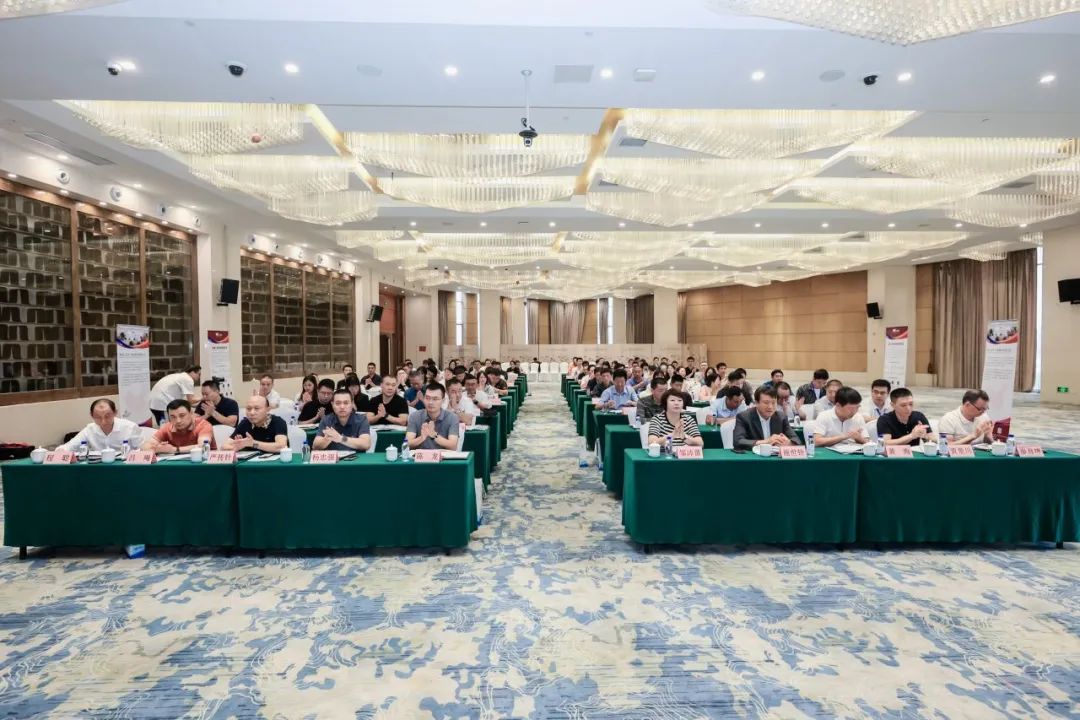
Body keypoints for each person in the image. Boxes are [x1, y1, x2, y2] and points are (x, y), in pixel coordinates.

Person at [61, 398, 143, 452]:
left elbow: (143, 448)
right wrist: (61, 451)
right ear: (91, 415)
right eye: (98, 417)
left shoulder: (130, 427)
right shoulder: (89, 429)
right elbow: (68, 447)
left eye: (107, 416)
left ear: (115, 413)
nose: (103, 422)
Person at [732, 387, 800, 450]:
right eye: (766, 403)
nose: (770, 407)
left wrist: (788, 443)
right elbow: (738, 441)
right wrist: (766, 442)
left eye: (773, 402)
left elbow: (796, 439)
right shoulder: (744, 417)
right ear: (756, 403)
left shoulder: (781, 417)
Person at [143, 399, 215, 454]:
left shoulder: (203, 425)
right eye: (173, 417)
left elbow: (203, 446)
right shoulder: (167, 427)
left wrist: (175, 450)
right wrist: (158, 448)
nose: (178, 421)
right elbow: (145, 446)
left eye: (182, 415)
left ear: (191, 413)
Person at [406, 382, 460, 451]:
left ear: (443, 400)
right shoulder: (415, 416)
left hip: (443, 457)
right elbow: (407, 444)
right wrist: (422, 437)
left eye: (435, 399)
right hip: (421, 456)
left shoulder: (452, 417)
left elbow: (453, 446)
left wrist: (434, 435)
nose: (430, 402)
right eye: (427, 398)